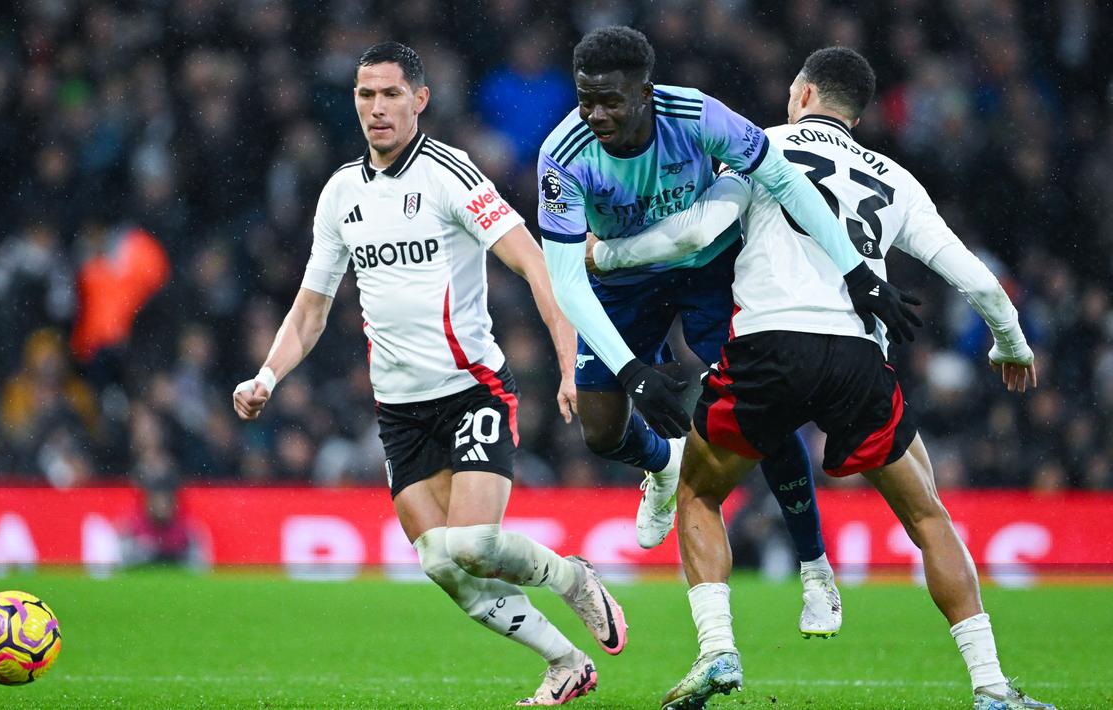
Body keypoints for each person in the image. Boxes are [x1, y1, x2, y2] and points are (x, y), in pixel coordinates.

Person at [587, 47, 1052, 710]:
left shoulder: (759, 147)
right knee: (926, 515)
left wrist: (609, 254)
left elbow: (695, 234)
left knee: (695, 494)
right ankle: (990, 687)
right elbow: (974, 275)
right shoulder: (894, 178)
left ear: (801, 92)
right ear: (856, 115)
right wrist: (1009, 342)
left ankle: (718, 652)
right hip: (857, 356)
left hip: (768, 345)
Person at [233, 42, 624, 706]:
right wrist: (266, 376)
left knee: (472, 544)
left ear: (419, 100)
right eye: (364, 94)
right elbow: (311, 307)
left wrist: (569, 362)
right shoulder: (340, 194)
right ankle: (564, 663)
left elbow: (534, 263)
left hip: (471, 388)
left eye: (389, 94)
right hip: (399, 409)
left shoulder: (450, 174)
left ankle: (568, 576)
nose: (376, 108)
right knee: (442, 562)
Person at [537, 26, 917, 636]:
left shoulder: (697, 116)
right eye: (586, 98)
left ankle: (815, 566)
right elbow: (567, 280)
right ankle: (661, 464)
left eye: (611, 100)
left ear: (646, 92)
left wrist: (855, 271)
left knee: (761, 411)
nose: (595, 114)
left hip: (710, 267)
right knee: (601, 433)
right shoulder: (564, 156)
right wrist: (634, 374)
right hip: (626, 281)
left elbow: (786, 180)